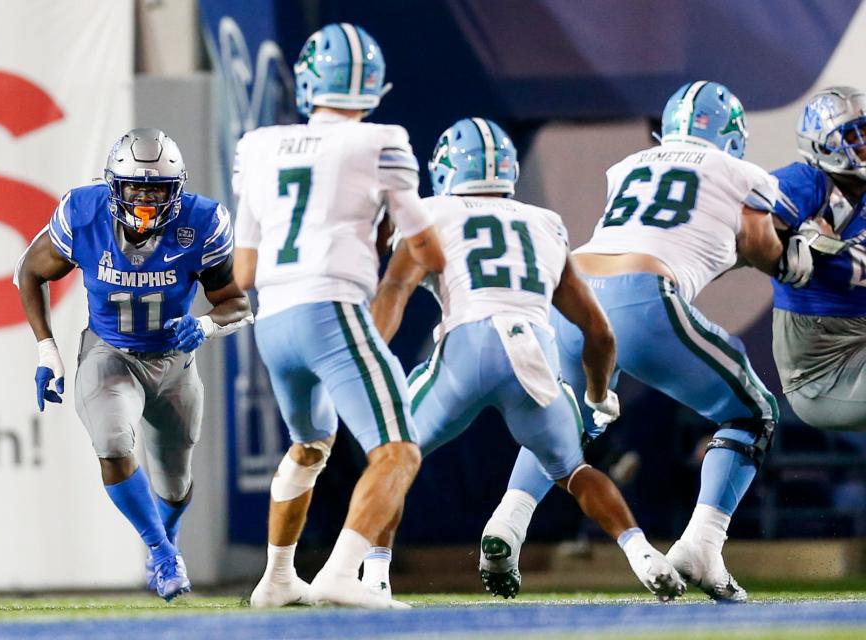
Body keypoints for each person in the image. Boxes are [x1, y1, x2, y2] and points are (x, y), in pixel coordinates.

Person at [482, 81, 807, 603]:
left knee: (569, 420)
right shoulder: (740, 173)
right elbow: (761, 249)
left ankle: (508, 521)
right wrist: (796, 258)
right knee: (753, 412)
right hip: (641, 295)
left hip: (574, 292)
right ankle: (702, 545)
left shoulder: (630, 166)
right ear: (731, 135)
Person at [368, 117, 686, 602]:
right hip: (532, 358)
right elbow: (598, 333)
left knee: (392, 457)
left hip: (468, 348)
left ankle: (374, 576)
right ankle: (644, 555)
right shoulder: (545, 223)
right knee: (574, 473)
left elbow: (394, 290)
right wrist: (598, 397)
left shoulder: (429, 214)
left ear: (448, 168)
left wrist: (370, 354)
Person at [232, 23, 446, 609]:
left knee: (309, 447)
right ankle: (341, 572)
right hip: (329, 308)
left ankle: (277, 577)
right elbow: (427, 250)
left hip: (273, 321)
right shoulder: (381, 140)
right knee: (398, 449)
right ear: (374, 88)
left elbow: (242, 272)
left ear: (306, 84)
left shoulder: (257, 145)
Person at [15, 128, 252, 601]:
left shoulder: (202, 222)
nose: (145, 201)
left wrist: (206, 326)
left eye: (157, 191)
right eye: (135, 189)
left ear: (176, 191)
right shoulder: (84, 214)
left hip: (174, 362)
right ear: (113, 187)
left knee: (175, 479)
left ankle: (167, 539)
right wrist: (47, 348)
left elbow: (237, 304)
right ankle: (162, 553)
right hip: (110, 353)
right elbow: (30, 270)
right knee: (113, 442)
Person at [769, 86, 866, 430]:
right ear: (824, 144)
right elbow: (749, 222)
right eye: (858, 136)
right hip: (823, 367)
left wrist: (828, 248)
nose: (865, 144)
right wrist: (792, 242)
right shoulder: (808, 182)